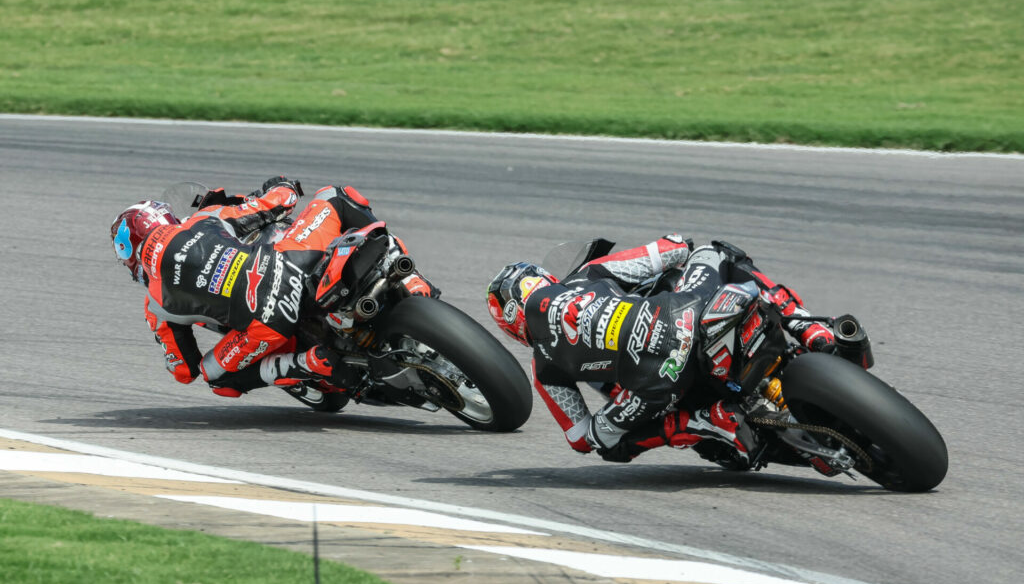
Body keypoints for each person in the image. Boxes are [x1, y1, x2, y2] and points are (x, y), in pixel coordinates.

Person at [486, 236, 836, 466]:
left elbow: (580, 438)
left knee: (604, 440)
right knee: (717, 252)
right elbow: (674, 247)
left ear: (513, 326)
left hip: (656, 385)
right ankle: (804, 324)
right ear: (546, 280)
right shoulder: (589, 274)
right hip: (687, 315)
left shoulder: (543, 368)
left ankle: (704, 422)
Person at [110, 177, 434, 398]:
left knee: (216, 377)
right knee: (335, 196)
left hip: (265, 326)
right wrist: (281, 185)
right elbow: (279, 202)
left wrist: (170, 339)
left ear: (132, 259)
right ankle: (409, 279)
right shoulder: (205, 218)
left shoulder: (155, 304)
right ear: (167, 219)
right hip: (291, 264)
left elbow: (185, 371)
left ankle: (306, 363)